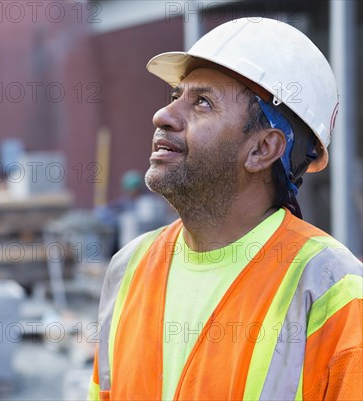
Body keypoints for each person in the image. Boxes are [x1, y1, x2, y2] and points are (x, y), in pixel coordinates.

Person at [88, 18, 362, 401]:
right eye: (175, 97)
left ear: (262, 149)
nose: (162, 116)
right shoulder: (128, 268)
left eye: (202, 102)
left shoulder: (332, 290)